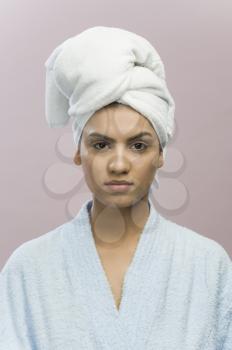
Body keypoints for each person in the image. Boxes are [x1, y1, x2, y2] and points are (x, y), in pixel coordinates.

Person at [1, 26, 232, 350]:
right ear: (79, 152)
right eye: (101, 145)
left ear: (161, 154)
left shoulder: (209, 265)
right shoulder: (27, 269)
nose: (119, 164)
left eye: (138, 145)